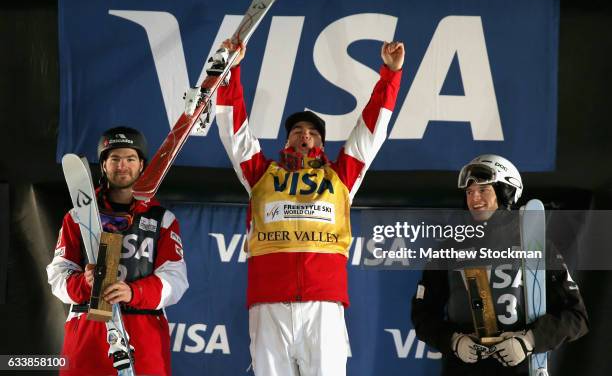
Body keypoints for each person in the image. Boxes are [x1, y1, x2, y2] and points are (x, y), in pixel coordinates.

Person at [216, 39, 404, 375]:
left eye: (314, 133)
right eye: (298, 131)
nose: (305, 136)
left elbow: (371, 132)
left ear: (321, 143)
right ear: (285, 141)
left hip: (323, 305)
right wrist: (231, 70)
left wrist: (390, 75)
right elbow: (235, 132)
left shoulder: (341, 176)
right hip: (269, 304)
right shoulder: (260, 174)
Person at [411, 154, 589, 375]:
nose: (474, 198)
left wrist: (530, 340)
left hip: (519, 367)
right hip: (462, 369)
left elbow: (576, 316)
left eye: (483, 190)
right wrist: (454, 341)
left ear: (507, 193)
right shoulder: (449, 248)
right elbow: (423, 315)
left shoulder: (535, 244)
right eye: (469, 192)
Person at [47, 126, 188, 376]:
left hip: (143, 332)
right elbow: (58, 277)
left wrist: (134, 291)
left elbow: (175, 281)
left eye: (130, 158)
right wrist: (84, 282)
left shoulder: (162, 220)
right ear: (103, 165)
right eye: (114, 158)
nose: (122, 166)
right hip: (90, 329)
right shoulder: (77, 218)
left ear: (142, 165)